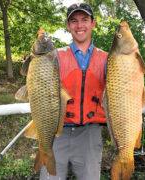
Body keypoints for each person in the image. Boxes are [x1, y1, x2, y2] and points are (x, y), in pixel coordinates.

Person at [39, 3, 108, 180]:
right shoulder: (54, 57)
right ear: (68, 25)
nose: (79, 26)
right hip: (56, 133)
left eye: (84, 20)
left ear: (93, 23)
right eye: (74, 21)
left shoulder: (109, 59)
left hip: (90, 134)